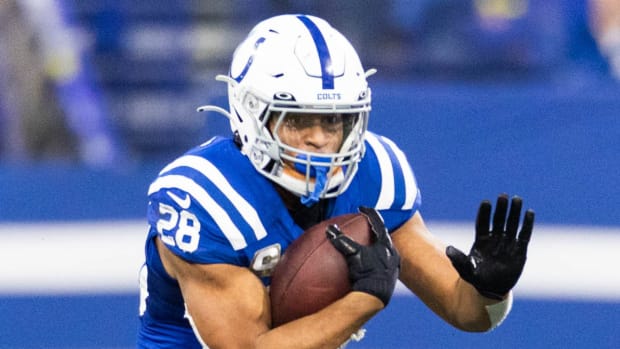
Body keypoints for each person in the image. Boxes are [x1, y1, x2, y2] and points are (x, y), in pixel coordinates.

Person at [137, 14, 535, 348]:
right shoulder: (207, 197)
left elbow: (464, 311)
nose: (320, 139)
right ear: (251, 114)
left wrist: (491, 290)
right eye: (297, 120)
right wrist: (363, 300)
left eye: (333, 120)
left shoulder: (372, 173)